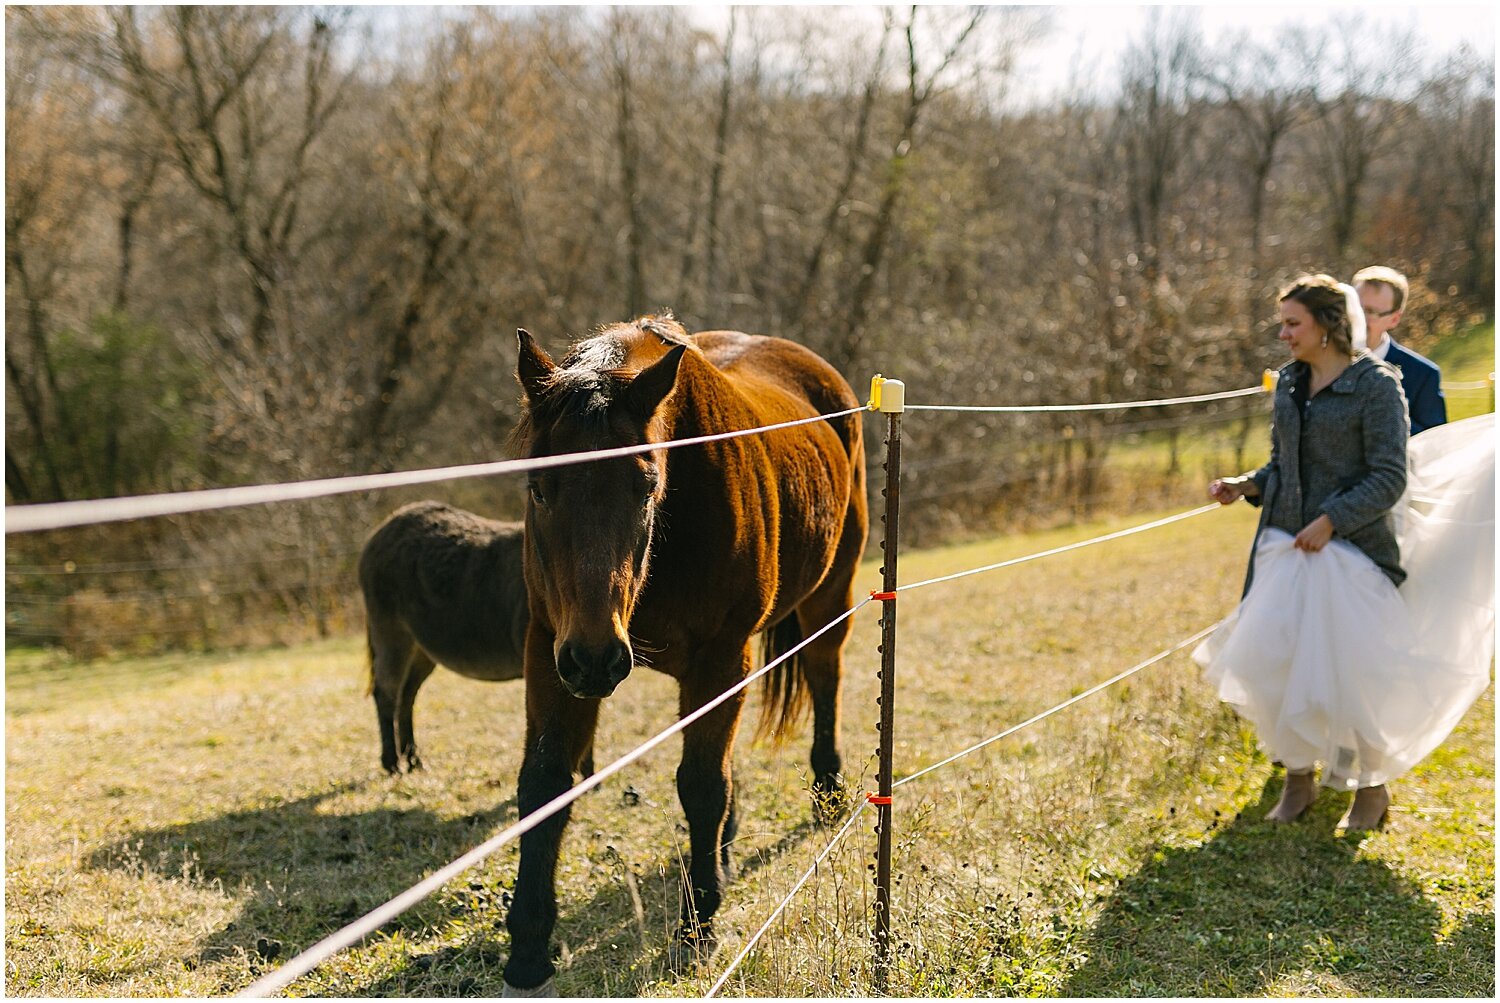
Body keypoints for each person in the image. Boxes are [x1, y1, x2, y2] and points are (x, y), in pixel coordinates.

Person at [1194, 274, 1493, 834]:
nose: (1282, 334)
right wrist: (1245, 485)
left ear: (1327, 325)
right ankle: (1299, 781)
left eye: (1292, 323)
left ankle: (1372, 790)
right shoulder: (1286, 383)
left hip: (1353, 554)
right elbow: (1283, 466)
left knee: (1353, 675)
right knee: (1283, 669)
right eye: (1282, 323)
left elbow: (1389, 475)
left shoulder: (1378, 385)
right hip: (1286, 548)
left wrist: (1333, 521)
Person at [1354, 265, 1447, 435]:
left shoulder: (1422, 375)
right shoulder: (1322, 364)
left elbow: (1435, 442)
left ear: (1394, 319)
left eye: (1370, 312)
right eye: (1355, 309)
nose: (1359, 318)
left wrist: (1387, 415)